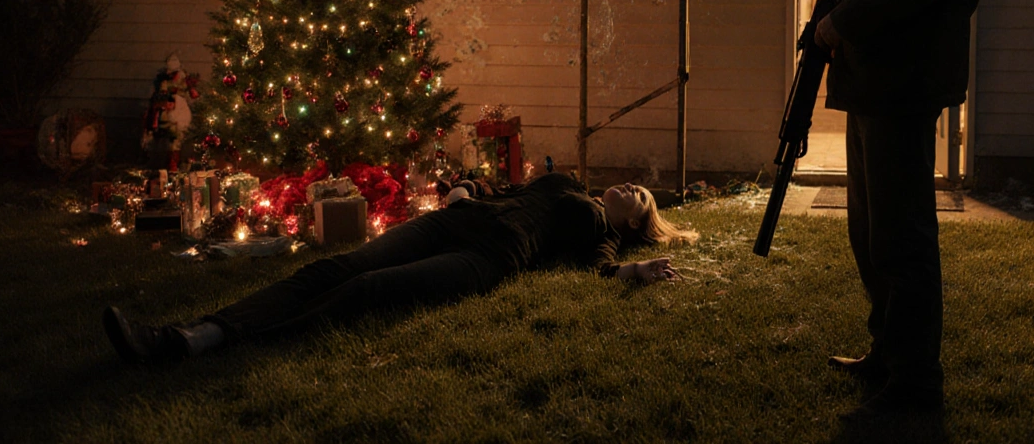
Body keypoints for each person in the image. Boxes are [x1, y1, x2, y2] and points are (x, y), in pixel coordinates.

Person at [811, 0, 982, 417]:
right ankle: (889, 354)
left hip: (901, 78)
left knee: (901, 234)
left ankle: (914, 382)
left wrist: (841, 20)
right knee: (871, 230)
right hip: (876, 75)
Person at [103, 174, 697, 363]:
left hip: (484, 259)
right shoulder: (564, 179)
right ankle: (184, 333)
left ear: (631, 223)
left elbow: (597, 270)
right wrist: (467, 187)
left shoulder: (598, 231)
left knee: (368, 288)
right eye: (635, 186)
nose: (633, 189)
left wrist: (633, 271)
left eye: (641, 197)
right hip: (453, 223)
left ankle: (211, 341)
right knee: (339, 266)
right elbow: (502, 186)